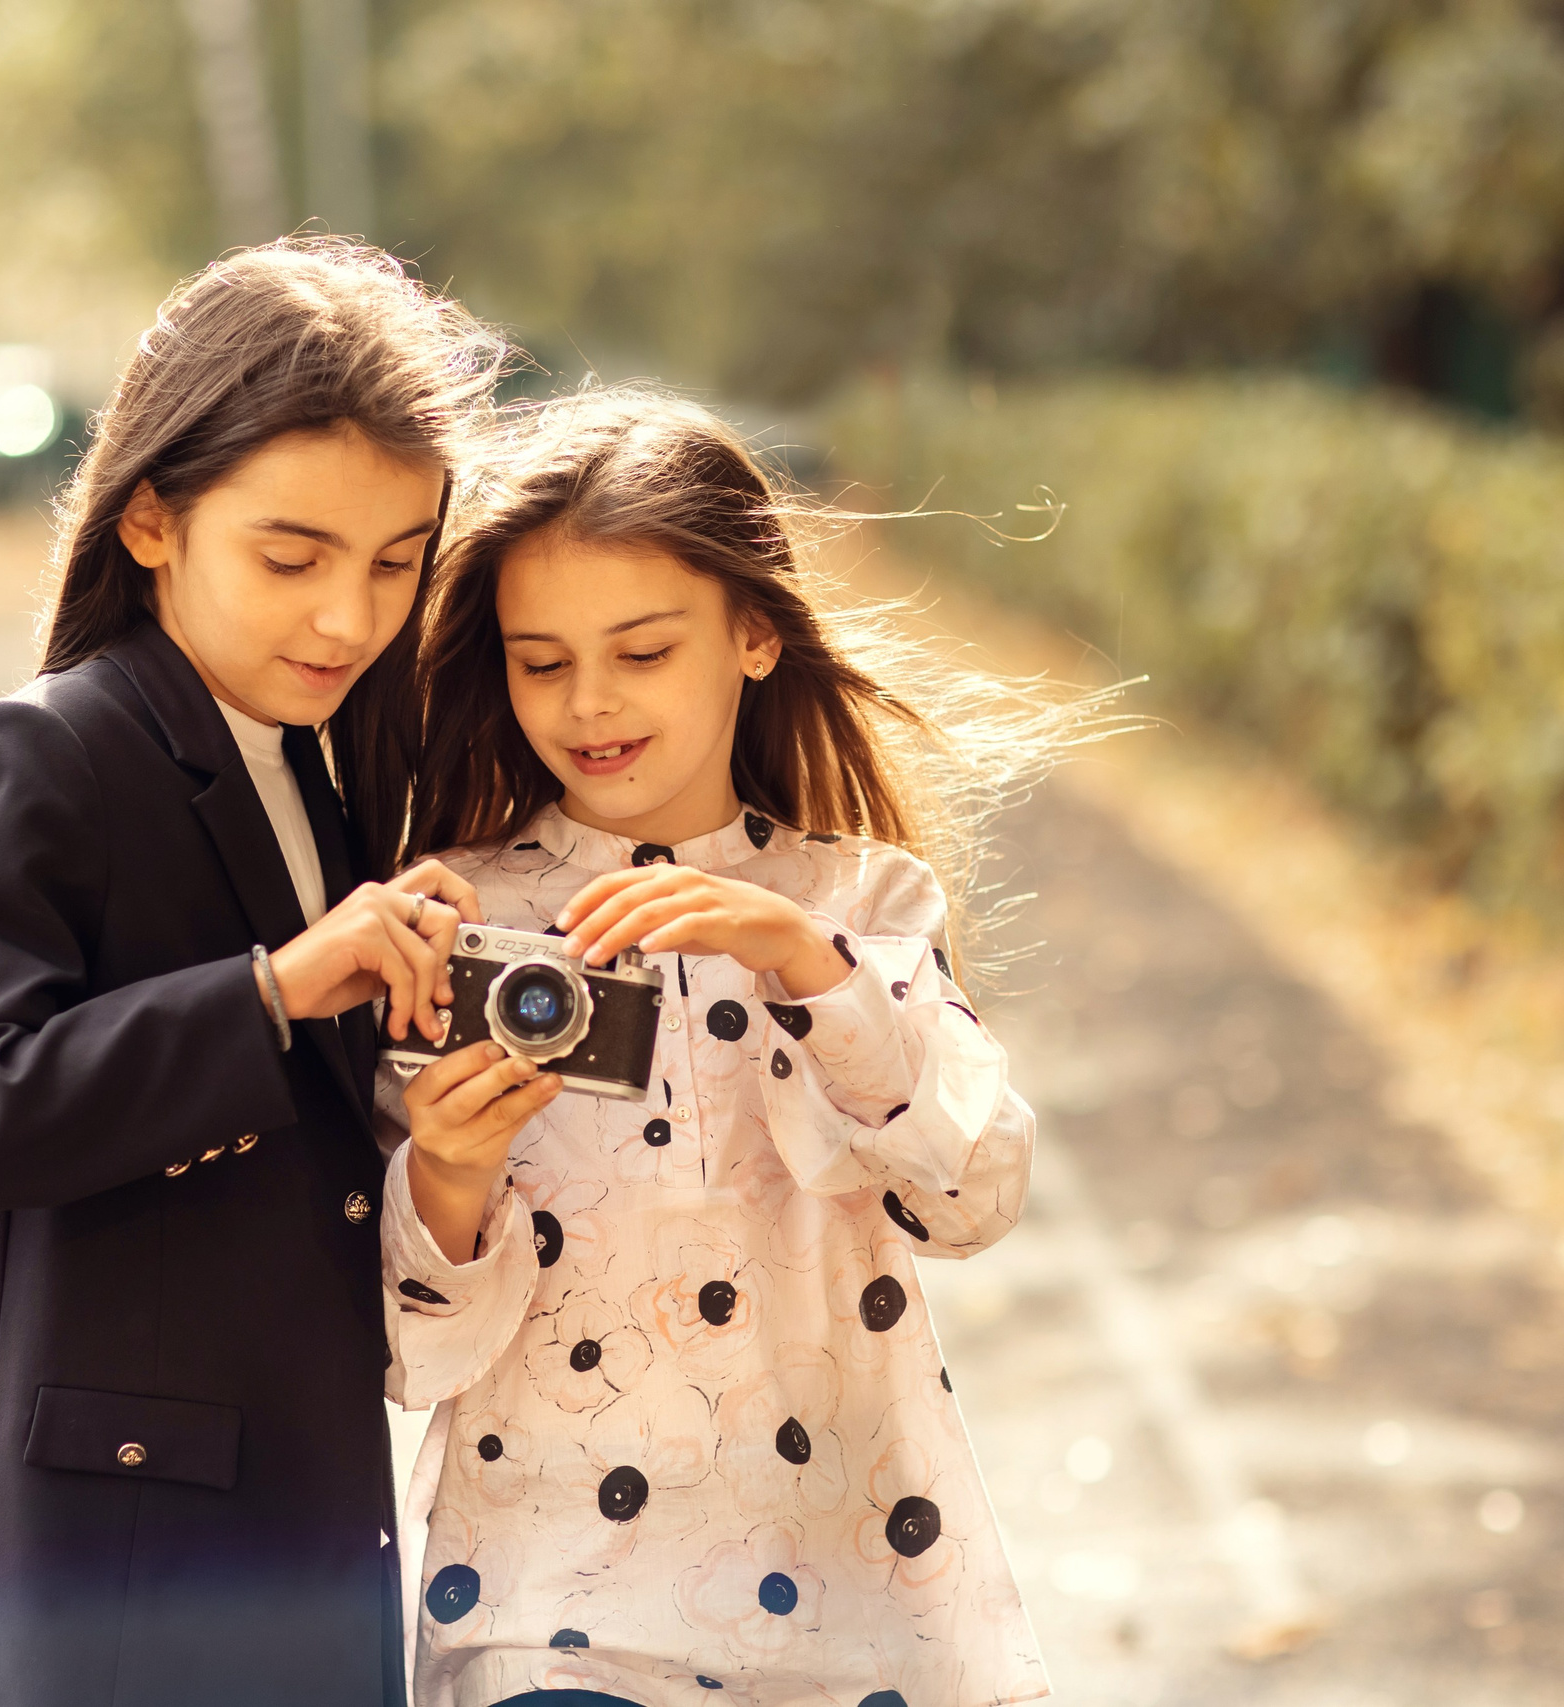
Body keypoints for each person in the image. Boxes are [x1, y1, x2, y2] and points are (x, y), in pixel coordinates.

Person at [0, 238, 507, 1707]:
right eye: (292, 557)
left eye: (396, 563)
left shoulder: (322, 771)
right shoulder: (54, 748)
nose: (350, 616)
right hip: (118, 1571)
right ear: (151, 520)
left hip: (298, 1528)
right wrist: (269, 995)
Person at [379, 388, 1081, 1707]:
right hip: (545, 1597)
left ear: (755, 633)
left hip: (855, 1592)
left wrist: (804, 964)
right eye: (542, 661)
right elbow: (412, 1357)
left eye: (643, 651)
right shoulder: (458, 919)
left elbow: (972, 1199)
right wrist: (449, 1179)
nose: (589, 703)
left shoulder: (866, 905)